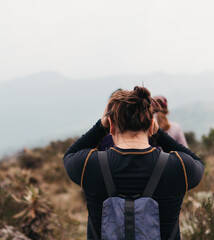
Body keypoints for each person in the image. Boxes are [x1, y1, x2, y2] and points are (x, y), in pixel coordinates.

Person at [63, 86, 204, 239]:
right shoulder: (178, 167)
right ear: (152, 126)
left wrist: (100, 127)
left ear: (110, 125)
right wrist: (160, 135)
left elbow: (70, 155)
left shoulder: (89, 165)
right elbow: (197, 162)